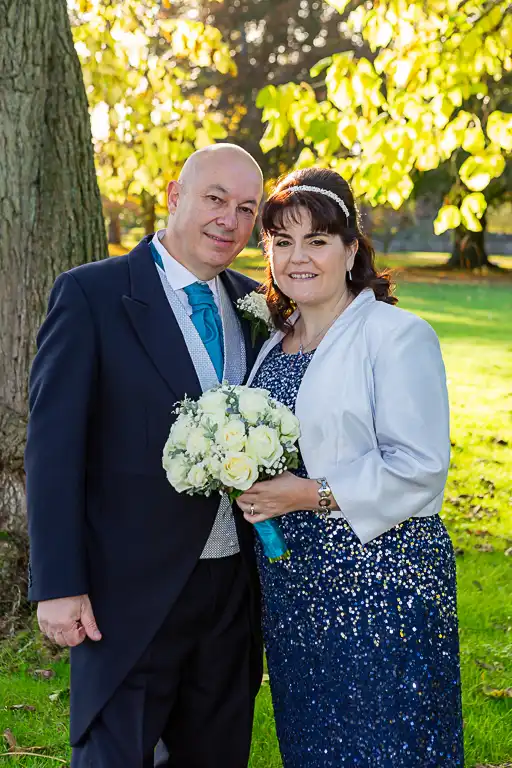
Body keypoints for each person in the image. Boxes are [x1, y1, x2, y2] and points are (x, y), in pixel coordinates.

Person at [25, 144, 265, 768]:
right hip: (125, 596)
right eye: (215, 199)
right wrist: (59, 586)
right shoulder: (91, 295)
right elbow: (53, 450)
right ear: (173, 195)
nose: (230, 221)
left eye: (247, 209)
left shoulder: (254, 306)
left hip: (233, 590)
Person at [237, 167, 464, 767]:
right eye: (281, 242)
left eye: (317, 240)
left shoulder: (397, 336)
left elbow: (420, 466)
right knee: (315, 741)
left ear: (351, 248)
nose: (298, 257)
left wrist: (307, 494)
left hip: (381, 581)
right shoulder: (272, 343)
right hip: (294, 585)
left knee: (388, 741)